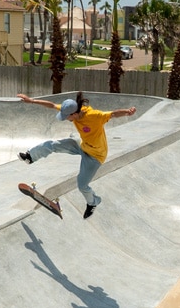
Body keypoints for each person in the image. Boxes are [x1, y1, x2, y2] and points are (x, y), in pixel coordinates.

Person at [16, 91, 137, 219]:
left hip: (95, 156)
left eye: (67, 117)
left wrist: (127, 112)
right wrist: (31, 100)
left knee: (82, 185)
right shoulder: (71, 109)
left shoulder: (95, 116)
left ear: (74, 114)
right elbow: (51, 105)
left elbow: (112, 114)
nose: (66, 119)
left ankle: (93, 202)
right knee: (53, 145)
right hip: (81, 145)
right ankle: (30, 156)